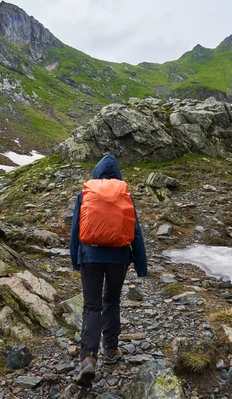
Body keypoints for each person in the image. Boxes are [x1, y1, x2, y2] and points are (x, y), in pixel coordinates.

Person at [69, 154, 147, 388]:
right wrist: (141, 266)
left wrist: (76, 260)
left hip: (90, 257)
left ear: (97, 172)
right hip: (118, 258)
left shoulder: (86, 193)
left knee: (91, 306)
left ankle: (89, 358)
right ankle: (111, 349)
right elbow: (136, 232)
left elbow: (75, 229)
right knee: (111, 302)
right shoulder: (124, 194)